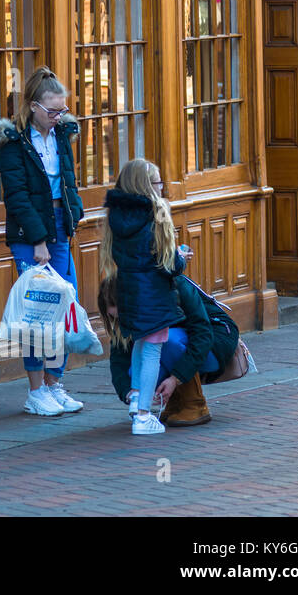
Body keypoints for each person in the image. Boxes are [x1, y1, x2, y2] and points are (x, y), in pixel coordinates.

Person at [0, 65, 85, 417]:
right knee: (38, 310)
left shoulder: (61, 133)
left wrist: (73, 216)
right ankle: (36, 389)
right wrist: (39, 240)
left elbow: (67, 180)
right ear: (33, 106)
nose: (58, 117)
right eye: (52, 110)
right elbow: (18, 197)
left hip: (59, 225)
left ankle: (55, 384)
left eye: (62, 110)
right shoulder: (13, 142)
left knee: (64, 306)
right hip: (31, 232)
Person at [99, 158, 189, 435]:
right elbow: (168, 263)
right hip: (153, 294)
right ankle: (143, 415)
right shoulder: (157, 211)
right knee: (152, 350)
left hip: (128, 290)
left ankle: (136, 397)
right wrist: (182, 258)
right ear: (146, 185)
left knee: (139, 344)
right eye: (158, 181)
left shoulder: (116, 214)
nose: (162, 186)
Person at [97, 269, 237, 427]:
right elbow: (119, 360)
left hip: (214, 342)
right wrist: (129, 393)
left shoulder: (175, 286)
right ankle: (175, 403)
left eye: (125, 315)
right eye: (115, 318)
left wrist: (175, 378)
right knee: (135, 374)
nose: (124, 321)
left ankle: (195, 404)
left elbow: (202, 336)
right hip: (176, 346)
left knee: (165, 340)